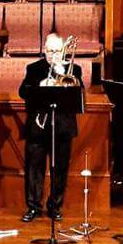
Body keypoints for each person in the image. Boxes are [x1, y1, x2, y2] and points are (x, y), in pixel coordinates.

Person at [19, 32, 84, 221]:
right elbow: (23, 92)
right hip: (38, 126)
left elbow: (79, 97)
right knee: (34, 169)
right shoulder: (34, 69)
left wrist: (63, 75)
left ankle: (55, 206)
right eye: (50, 51)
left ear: (63, 51)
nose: (54, 54)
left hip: (63, 127)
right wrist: (40, 86)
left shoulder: (74, 70)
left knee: (60, 169)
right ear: (44, 50)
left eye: (57, 50)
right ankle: (33, 206)